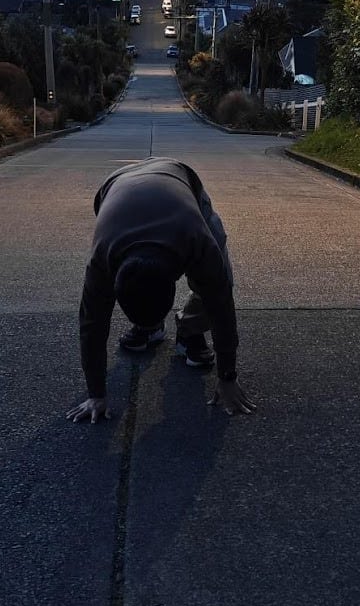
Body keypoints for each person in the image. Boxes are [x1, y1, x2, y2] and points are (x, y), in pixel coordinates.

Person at [66, 158, 256, 423]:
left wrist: (227, 377)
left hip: (180, 179)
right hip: (115, 186)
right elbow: (92, 323)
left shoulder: (197, 240)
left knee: (218, 279)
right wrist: (95, 394)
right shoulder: (103, 257)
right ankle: (149, 327)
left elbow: (220, 304)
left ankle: (189, 331)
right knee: (125, 297)